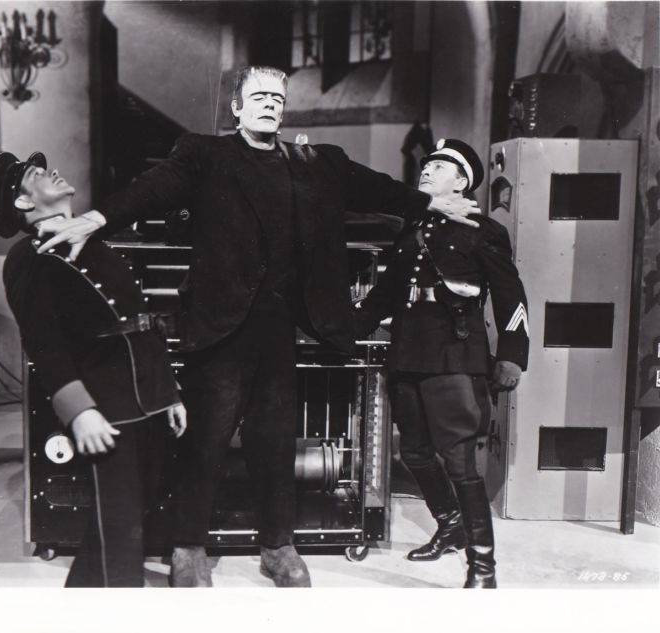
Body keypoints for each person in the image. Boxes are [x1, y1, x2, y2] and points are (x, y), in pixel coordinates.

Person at [37, 66, 481, 588]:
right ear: (237, 108)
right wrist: (96, 219)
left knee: (275, 443)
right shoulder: (205, 154)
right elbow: (151, 189)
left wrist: (430, 200)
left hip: (279, 329)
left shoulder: (316, 161)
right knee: (205, 442)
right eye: (260, 96)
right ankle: (188, 546)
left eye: (277, 97)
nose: (270, 104)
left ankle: (278, 545)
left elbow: (377, 189)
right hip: (220, 329)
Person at [0, 150, 187, 587]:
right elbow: (43, 342)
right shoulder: (28, 257)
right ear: (23, 202)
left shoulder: (94, 242)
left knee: (128, 518)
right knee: (118, 531)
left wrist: (168, 392)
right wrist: (78, 411)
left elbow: (139, 322)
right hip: (104, 403)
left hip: (146, 398)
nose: (54, 171)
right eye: (38, 174)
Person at [353, 138, 529, 588]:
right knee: (413, 452)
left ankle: (483, 568)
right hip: (408, 354)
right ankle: (450, 525)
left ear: (462, 181)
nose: (427, 170)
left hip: (455, 355)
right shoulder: (412, 229)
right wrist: (340, 328)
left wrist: (512, 356)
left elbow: (511, 296)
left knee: (460, 462)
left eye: (439, 166)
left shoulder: (483, 230)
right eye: (427, 164)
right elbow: (384, 296)